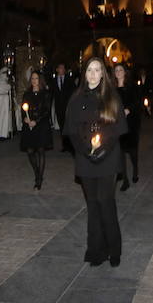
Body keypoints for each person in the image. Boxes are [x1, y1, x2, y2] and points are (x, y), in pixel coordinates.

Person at [62, 57, 128, 267]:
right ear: (84, 73)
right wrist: (85, 151)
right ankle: (96, 251)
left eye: (97, 70)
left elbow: (117, 129)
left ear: (103, 74)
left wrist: (103, 150)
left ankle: (114, 249)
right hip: (85, 158)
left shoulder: (111, 96)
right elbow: (72, 131)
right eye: (89, 70)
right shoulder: (76, 98)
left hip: (108, 156)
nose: (92, 74)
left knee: (105, 202)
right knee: (92, 204)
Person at [20, 70, 52, 190]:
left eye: (36, 78)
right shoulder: (27, 94)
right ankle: (37, 172)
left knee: (40, 150)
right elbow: (23, 109)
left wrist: (36, 121)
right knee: (30, 151)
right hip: (29, 125)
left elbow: (46, 111)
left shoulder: (45, 94)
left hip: (41, 124)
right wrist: (25, 118)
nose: (34, 81)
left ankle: (39, 179)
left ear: (40, 80)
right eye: (32, 78)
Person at [114, 63, 140, 190]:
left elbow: (137, 102)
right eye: (116, 70)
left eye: (120, 70)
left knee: (132, 151)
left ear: (125, 72)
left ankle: (135, 169)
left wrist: (128, 109)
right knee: (120, 153)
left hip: (131, 122)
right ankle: (125, 180)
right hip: (117, 124)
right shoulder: (112, 89)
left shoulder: (132, 87)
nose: (118, 72)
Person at [53, 62, 75, 154]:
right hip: (59, 107)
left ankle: (70, 145)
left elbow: (73, 92)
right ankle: (64, 144)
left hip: (68, 106)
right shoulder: (54, 80)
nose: (61, 69)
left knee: (68, 125)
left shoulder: (69, 80)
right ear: (57, 69)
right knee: (62, 126)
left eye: (63, 68)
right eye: (60, 68)